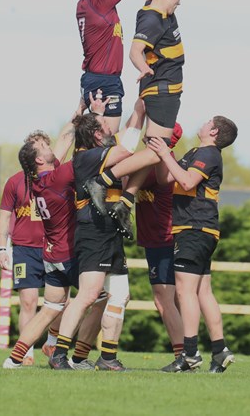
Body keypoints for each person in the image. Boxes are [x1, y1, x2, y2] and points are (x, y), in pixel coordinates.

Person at [83, 0, 189, 236]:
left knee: (155, 149)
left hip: (159, 90)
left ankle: (125, 201)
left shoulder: (154, 5)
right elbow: (134, 51)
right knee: (158, 150)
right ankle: (102, 180)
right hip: (162, 91)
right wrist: (143, 67)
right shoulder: (154, 20)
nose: (178, 3)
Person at [3, 96, 107, 370]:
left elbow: (64, 139)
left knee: (50, 308)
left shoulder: (41, 179)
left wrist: (79, 111)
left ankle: (14, 358)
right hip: (68, 252)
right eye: (44, 147)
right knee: (98, 298)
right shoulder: (58, 177)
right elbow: (84, 155)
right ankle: (76, 356)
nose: (50, 146)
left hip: (51, 253)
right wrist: (96, 119)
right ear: (39, 159)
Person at [48, 97, 145, 371]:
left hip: (110, 230)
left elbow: (125, 140)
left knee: (120, 295)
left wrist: (109, 113)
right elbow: (127, 148)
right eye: (105, 125)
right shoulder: (87, 157)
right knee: (88, 295)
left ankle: (108, 357)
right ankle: (58, 354)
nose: (111, 128)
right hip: (94, 231)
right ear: (95, 135)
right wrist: (140, 112)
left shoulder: (99, 150)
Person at [147, 116, 238, 373]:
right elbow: (166, 179)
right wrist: (162, 153)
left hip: (194, 229)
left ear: (214, 131)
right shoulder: (196, 152)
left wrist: (165, 154)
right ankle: (220, 351)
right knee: (202, 292)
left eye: (208, 121)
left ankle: (189, 353)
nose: (203, 122)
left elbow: (187, 181)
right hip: (199, 230)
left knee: (184, 292)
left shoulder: (208, 154)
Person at [0, 149, 57, 366]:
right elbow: (4, 218)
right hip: (23, 249)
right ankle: (26, 352)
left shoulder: (56, 177)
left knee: (62, 301)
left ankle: (51, 343)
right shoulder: (14, 182)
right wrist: (2, 249)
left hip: (53, 247)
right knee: (28, 301)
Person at [77, 0, 137, 134]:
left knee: (96, 141)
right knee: (106, 143)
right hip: (104, 82)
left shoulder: (86, 2)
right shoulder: (101, 5)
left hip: (94, 79)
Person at [135, 123, 184, 361]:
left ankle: (182, 355)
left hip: (163, 240)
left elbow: (122, 177)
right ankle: (189, 351)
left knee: (162, 299)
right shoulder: (160, 162)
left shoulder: (158, 165)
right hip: (157, 240)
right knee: (174, 299)